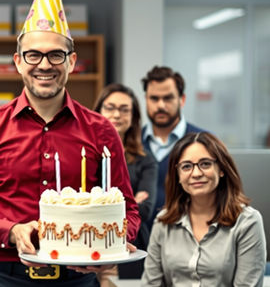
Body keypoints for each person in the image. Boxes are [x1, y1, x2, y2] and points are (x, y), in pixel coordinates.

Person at [0, 0, 140, 287]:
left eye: (56, 54)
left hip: (78, 280)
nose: (45, 64)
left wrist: (110, 245)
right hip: (5, 278)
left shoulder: (101, 131)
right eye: (34, 54)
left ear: (71, 61)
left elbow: (127, 208)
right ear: (18, 61)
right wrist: (10, 231)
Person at [142, 132, 266, 286]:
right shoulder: (163, 221)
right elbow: (150, 284)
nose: (196, 173)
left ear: (221, 169)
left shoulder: (247, 222)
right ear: (178, 175)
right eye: (186, 166)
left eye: (205, 163)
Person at [93, 83, 157, 282]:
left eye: (124, 109)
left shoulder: (145, 158)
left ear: (134, 117)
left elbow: (144, 210)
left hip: (129, 247)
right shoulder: (85, 153)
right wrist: (127, 202)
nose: (117, 114)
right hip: (86, 245)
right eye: (110, 107)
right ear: (98, 112)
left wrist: (98, 206)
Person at [141, 65, 205, 227]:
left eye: (168, 98)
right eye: (154, 98)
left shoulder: (204, 143)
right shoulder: (130, 143)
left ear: (181, 100)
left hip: (188, 241)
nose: (161, 105)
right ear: (146, 99)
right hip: (138, 244)